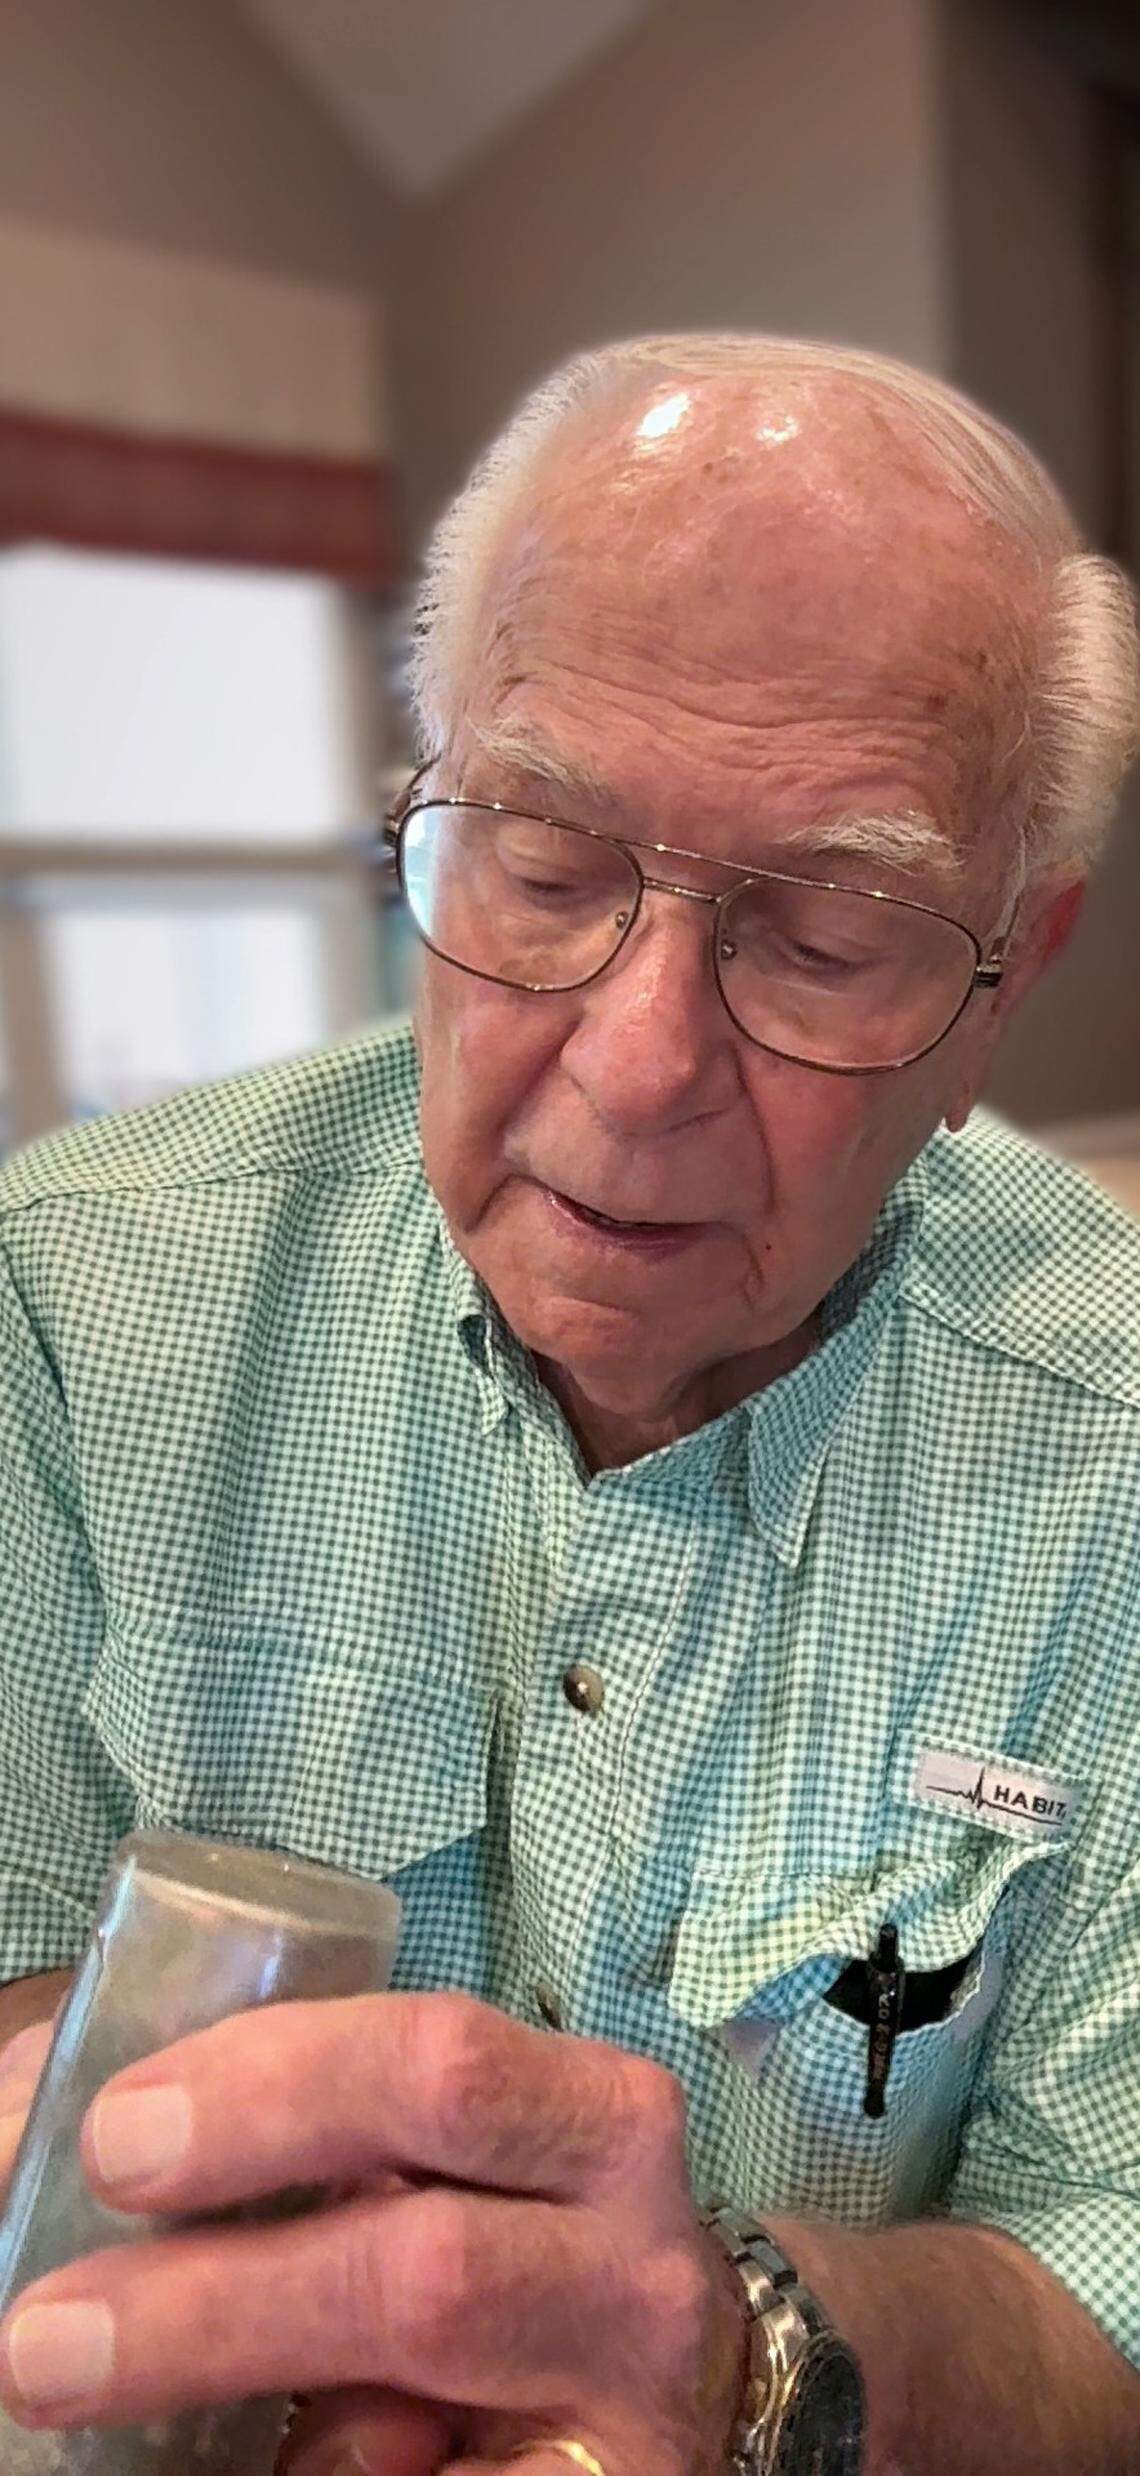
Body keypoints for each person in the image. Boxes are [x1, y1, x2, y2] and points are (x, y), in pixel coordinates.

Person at [0, 333, 1138, 2476]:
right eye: (537, 856)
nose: (634, 1066)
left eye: (828, 927)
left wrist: (747, 2360)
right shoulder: (61, 1304)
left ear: (1012, 970)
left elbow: (1117, 2256)